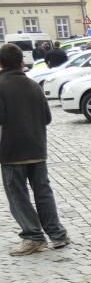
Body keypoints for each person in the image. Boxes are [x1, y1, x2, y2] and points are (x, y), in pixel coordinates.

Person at [0, 43, 70, 256]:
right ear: (21, 61)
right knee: (43, 193)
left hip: (11, 151)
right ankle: (57, 235)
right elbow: (47, 118)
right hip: (37, 148)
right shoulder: (33, 85)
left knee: (18, 196)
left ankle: (33, 236)